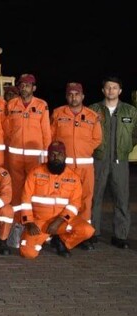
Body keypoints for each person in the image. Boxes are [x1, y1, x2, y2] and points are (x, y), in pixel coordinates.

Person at [18, 141, 95, 258]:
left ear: (65, 156)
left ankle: (61, 241)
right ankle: (44, 237)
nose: (56, 158)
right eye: (52, 154)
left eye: (60, 154)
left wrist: (59, 221)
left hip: (62, 222)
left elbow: (74, 204)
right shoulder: (35, 173)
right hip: (39, 222)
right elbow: (25, 199)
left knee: (87, 230)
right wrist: (29, 222)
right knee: (28, 253)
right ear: (48, 156)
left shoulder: (73, 178)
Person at [50, 82, 101, 250]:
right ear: (67, 96)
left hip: (85, 166)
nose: (74, 97)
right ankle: (60, 233)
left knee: (86, 199)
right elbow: (51, 137)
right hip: (65, 166)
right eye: (71, 94)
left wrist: (84, 150)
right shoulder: (58, 113)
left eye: (77, 94)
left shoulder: (92, 116)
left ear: (82, 96)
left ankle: (83, 236)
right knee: (63, 199)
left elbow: (97, 139)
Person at [89, 76, 137, 249]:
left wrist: (125, 147)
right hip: (99, 159)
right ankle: (92, 233)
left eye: (115, 88)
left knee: (122, 198)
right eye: (108, 87)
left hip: (120, 161)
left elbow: (135, 134)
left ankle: (120, 236)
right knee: (95, 197)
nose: (111, 90)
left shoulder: (130, 111)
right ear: (103, 90)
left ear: (120, 91)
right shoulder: (93, 110)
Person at [4, 74, 51, 209]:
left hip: (35, 155)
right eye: (22, 85)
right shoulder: (12, 104)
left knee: (34, 185)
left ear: (33, 88)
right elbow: (7, 129)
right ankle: (17, 216)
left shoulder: (41, 105)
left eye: (28, 86)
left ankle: (33, 215)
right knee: (16, 186)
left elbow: (46, 131)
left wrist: (46, 154)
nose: (24, 88)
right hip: (15, 155)